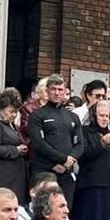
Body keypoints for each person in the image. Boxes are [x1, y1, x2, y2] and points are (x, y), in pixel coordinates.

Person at [28, 74, 84, 208]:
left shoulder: (73, 117)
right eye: (53, 89)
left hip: (66, 173)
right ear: (47, 90)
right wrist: (62, 160)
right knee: (43, 211)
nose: (57, 93)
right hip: (44, 172)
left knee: (65, 211)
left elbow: (79, 144)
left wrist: (68, 161)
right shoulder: (37, 115)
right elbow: (39, 143)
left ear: (65, 92)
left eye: (60, 89)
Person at [72, 100, 110, 220]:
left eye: (107, 116)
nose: (104, 119)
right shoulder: (85, 131)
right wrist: (101, 144)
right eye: (101, 115)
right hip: (92, 185)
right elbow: (82, 155)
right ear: (94, 116)